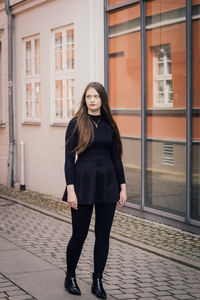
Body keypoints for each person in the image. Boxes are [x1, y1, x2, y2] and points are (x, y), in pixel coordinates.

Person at [63, 82, 127, 299]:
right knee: (79, 234)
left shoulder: (110, 124)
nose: (92, 100)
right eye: (88, 96)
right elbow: (69, 160)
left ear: (102, 99)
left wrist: (123, 187)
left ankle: (97, 280)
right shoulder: (76, 123)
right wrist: (70, 190)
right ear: (85, 99)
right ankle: (70, 276)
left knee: (103, 235)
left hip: (108, 184)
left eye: (96, 96)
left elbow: (116, 158)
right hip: (83, 184)